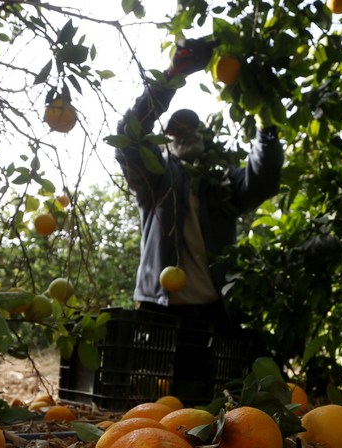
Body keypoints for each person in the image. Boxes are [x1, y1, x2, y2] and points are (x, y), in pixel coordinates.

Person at [115, 38, 284, 333]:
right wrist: (171, 77)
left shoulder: (222, 180)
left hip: (215, 311)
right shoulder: (157, 177)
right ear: (164, 143)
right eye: (176, 129)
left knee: (209, 380)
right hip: (160, 308)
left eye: (192, 127)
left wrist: (266, 127)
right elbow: (129, 136)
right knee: (157, 380)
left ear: (204, 138)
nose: (185, 133)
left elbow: (263, 180)